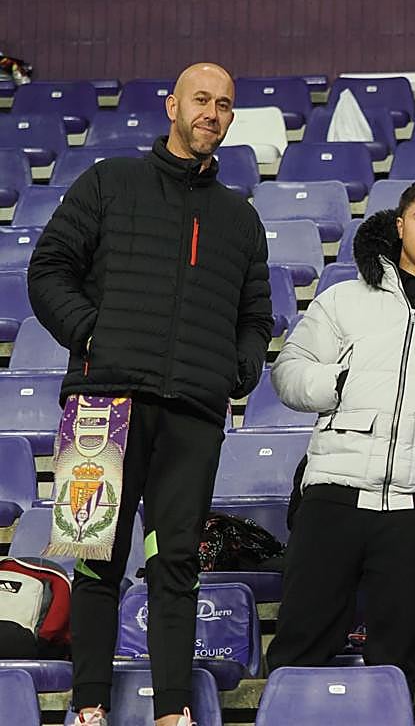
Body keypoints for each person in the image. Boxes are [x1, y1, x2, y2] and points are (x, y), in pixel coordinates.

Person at [27, 63, 273, 726]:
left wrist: (236, 369)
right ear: (172, 105)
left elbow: (256, 318)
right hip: (101, 408)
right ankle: (88, 707)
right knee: (96, 560)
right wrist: (93, 334)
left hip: (192, 415)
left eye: (224, 104)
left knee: (174, 567)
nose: (212, 113)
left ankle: (171, 714)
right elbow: (49, 268)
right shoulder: (111, 181)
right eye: (201, 99)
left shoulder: (239, 219)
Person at [266, 176, 415, 687]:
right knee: (299, 646)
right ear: (400, 225)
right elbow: (288, 371)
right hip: (334, 490)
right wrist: (341, 382)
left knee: (393, 655)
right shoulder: (342, 299)